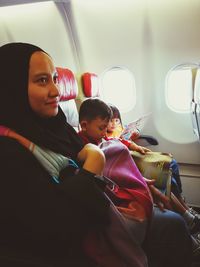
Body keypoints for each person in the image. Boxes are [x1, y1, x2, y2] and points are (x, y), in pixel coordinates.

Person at [0, 42, 152, 267]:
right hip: (70, 248)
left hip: (97, 220)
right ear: (12, 87)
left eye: (55, 79)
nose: (56, 91)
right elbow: (58, 230)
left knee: (170, 223)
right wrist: (93, 164)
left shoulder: (54, 126)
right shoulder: (8, 152)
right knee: (171, 228)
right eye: (42, 80)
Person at [78, 98, 194, 266]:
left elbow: (114, 143)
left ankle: (187, 222)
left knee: (165, 175)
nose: (105, 133)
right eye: (101, 128)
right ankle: (188, 225)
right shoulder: (82, 145)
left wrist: (133, 147)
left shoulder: (97, 138)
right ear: (84, 125)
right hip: (113, 188)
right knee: (157, 190)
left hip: (124, 176)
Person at [107, 103, 200, 234]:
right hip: (127, 161)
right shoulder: (103, 137)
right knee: (165, 174)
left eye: (116, 120)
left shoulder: (116, 131)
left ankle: (184, 208)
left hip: (132, 155)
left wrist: (134, 137)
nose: (113, 123)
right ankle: (187, 215)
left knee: (171, 164)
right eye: (110, 120)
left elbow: (124, 140)